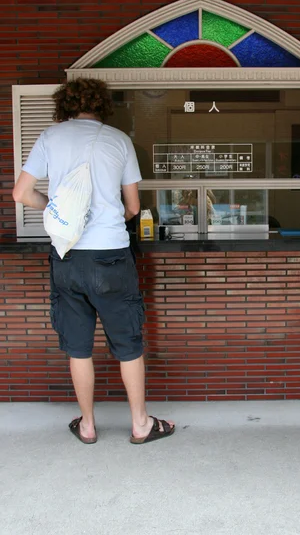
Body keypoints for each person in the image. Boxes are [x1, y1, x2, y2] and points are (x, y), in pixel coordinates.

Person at [13, 78, 175, 445]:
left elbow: (20, 193)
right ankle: (140, 424)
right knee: (128, 345)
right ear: (102, 106)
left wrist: (54, 208)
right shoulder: (119, 140)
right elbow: (133, 207)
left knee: (78, 347)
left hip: (67, 256)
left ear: (65, 105)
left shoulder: (49, 138)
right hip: (111, 256)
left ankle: (87, 425)